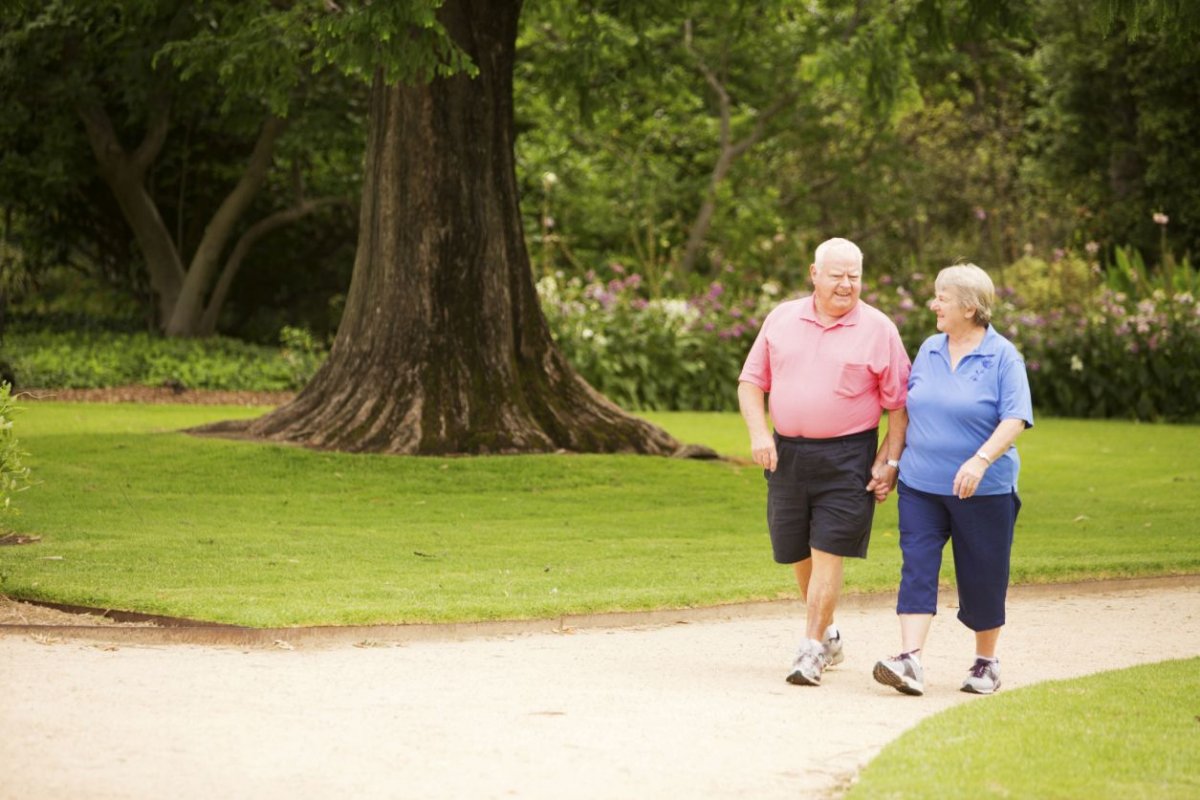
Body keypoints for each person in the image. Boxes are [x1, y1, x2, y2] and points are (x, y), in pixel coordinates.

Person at [738, 237, 910, 687]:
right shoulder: (782, 318)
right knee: (797, 552)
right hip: (787, 454)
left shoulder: (879, 328)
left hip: (848, 457)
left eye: (854, 275)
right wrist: (759, 435)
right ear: (814, 274)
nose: (846, 284)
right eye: (836, 275)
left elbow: (900, 405)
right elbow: (751, 382)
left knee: (828, 550)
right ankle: (830, 635)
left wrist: (889, 461)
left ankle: (811, 649)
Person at [872, 263, 1033, 697]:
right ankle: (910, 660)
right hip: (921, 485)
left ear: (969, 305)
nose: (933, 304)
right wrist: (890, 461)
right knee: (917, 566)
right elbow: (906, 411)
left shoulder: (1003, 356)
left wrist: (980, 461)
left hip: (983, 490)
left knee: (983, 574)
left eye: (941, 296)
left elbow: (1015, 417)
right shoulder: (928, 348)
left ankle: (986, 662)